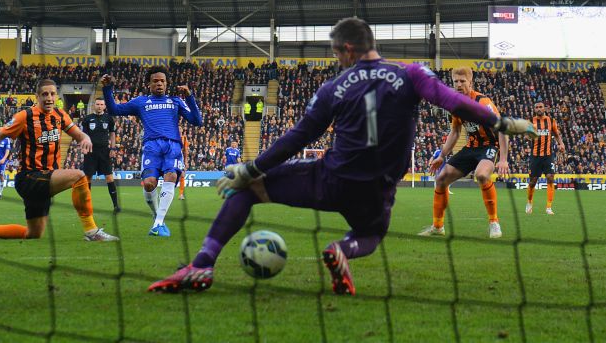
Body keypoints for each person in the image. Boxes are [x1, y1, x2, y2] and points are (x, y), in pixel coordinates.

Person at [147, 17, 537, 295]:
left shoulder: (333, 86)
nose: (337, 59)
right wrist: (505, 124)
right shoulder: (411, 74)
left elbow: (300, 137)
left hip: (331, 179)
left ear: (348, 49)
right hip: (377, 190)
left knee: (248, 190)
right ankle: (341, 250)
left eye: (337, 52)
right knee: (369, 235)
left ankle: (201, 264)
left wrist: (250, 168)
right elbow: (454, 102)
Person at [0, 79, 117, 242]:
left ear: (56, 96)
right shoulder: (25, 116)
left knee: (33, 233)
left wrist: (85, 138)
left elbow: (79, 134)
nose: (49, 98)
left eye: (52, 94)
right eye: (44, 94)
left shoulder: (60, 115)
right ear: (37, 96)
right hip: (29, 178)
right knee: (79, 176)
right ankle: (92, 231)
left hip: (46, 178)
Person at [101, 66, 203, 237]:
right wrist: (107, 88)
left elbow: (197, 121)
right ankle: (158, 217)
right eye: (155, 81)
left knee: (171, 176)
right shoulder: (141, 102)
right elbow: (114, 110)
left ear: (167, 83)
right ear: (148, 84)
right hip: (151, 147)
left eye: (162, 81)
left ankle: (157, 224)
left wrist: (190, 97)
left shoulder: (176, 101)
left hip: (172, 145)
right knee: (149, 184)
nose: (159, 84)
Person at [418, 67, 510, 239]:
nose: (459, 85)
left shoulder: (483, 103)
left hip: (489, 145)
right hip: (471, 147)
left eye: (462, 81)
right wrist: (441, 156)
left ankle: (494, 223)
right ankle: (438, 226)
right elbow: (455, 132)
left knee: (482, 175)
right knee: (441, 179)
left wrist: (503, 159)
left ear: (471, 82)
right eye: (456, 82)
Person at [80, 97, 120, 213]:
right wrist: (83, 148)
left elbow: (112, 134)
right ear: (94, 105)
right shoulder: (87, 119)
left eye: (102, 104)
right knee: (88, 178)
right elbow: (83, 135)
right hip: (90, 152)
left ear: (104, 106)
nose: (99, 106)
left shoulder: (109, 119)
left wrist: (112, 147)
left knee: (109, 177)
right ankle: (86, 206)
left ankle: (116, 205)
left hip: (104, 152)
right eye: (97, 104)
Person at [526, 101, 565, 215]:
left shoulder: (551, 121)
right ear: (534, 109)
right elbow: (527, 136)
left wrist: (561, 144)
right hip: (535, 156)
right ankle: (529, 202)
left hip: (548, 155)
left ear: (544, 109)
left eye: (540, 107)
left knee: (550, 177)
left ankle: (548, 207)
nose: (539, 108)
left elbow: (556, 134)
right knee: (533, 181)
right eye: (537, 107)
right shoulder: (530, 121)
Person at [178, 131, 189, 200]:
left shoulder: (184, 138)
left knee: (182, 176)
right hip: (171, 157)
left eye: (180, 129)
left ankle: (181, 194)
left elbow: (185, 151)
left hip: (180, 158)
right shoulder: (171, 136)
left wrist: (185, 161)